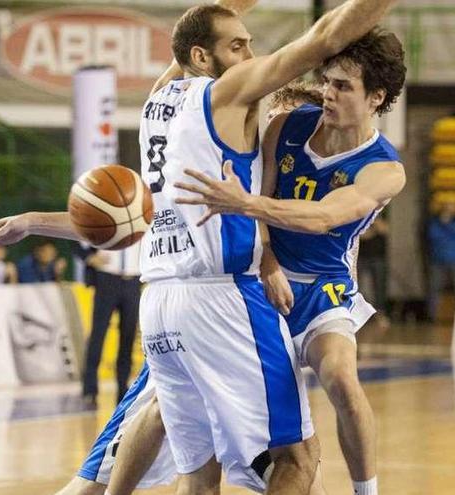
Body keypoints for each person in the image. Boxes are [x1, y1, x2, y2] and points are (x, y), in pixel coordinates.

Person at [0, 1, 396, 494]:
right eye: (238, 45)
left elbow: (127, 218)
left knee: (195, 467)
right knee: (299, 459)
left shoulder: (156, 103)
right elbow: (323, 38)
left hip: (160, 300)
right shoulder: (226, 95)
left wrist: (33, 222)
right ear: (200, 57)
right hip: (221, 298)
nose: (250, 54)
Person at [58, 82, 326, 495]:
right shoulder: (225, 163)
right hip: (203, 311)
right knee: (114, 465)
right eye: (279, 117)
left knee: (233, 470)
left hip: (217, 324)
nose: (279, 128)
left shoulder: (294, 192)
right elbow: (128, 217)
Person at [174, 27, 407, 495]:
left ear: (375, 97)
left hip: (324, 287)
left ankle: (367, 491)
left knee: (341, 377)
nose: (328, 93)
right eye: (327, 81)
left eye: (343, 86)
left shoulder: (385, 168)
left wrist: (245, 206)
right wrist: (267, 261)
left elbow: (323, 218)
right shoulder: (287, 125)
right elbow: (263, 198)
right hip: (261, 280)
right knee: (269, 437)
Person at [80, 243, 142, 406]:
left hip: (133, 279)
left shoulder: (145, 218)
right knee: (98, 335)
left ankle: (123, 389)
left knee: (128, 336)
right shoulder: (103, 217)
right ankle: (90, 389)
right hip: (107, 277)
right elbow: (75, 234)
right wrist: (87, 256)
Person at [425, 201, 455, 321]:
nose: (449, 209)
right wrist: (447, 229)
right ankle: (431, 317)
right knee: (434, 289)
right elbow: (433, 235)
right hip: (437, 260)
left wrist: (445, 227)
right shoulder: (434, 222)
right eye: (447, 206)